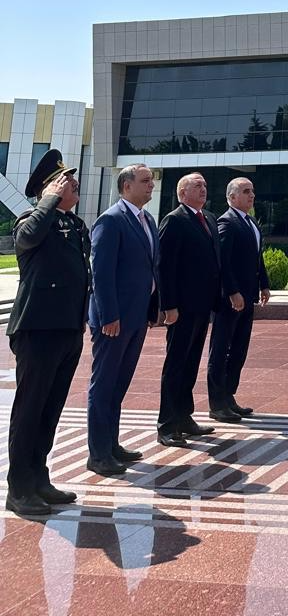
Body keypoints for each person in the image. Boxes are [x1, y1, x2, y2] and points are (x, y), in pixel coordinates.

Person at [5, 151, 90, 516]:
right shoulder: (32, 220)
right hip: (37, 329)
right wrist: (47, 202)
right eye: (66, 181)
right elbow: (25, 239)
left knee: (51, 408)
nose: (74, 184)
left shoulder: (75, 225)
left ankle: (39, 478)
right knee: (30, 409)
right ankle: (19, 488)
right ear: (50, 188)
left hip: (68, 327)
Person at [86, 163, 160, 476]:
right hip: (114, 320)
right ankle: (98, 454)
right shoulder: (111, 219)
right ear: (126, 186)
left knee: (119, 384)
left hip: (136, 317)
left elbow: (151, 268)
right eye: (145, 181)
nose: (151, 185)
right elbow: (101, 273)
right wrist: (109, 315)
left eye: (152, 181)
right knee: (104, 385)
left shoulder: (148, 220)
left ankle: (111, 444)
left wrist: (153, 308)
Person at [156, 173, 221, 446]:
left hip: (202, 306)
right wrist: (168, 305)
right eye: (197, 185)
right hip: (181, 308)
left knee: (191, 362)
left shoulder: (209, 219)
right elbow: (165, 266)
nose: (203, 188)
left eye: (205, 184)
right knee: (176, 364)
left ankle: (184, 417)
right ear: (182, 193)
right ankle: (167, 425)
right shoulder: (174, 220)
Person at [207, 177, 270, 422]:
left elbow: (257, 257)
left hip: (248, 296)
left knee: (239, 349)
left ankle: (228, 396)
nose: (251, 195)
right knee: (221, 349)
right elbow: (222, 261)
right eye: (246, 191)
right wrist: (232, 291)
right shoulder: (227, 222)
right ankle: (217, 403)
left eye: (252, 191)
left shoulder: (251, 222)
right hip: (230, 300)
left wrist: (264, 284)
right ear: (232, 197)